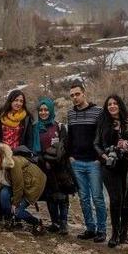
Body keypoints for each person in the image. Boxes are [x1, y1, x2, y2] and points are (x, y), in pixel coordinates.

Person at [65, 83, 107, 243]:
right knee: (83, 198)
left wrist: (99, 158)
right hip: (77, 161)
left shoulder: (98, 112)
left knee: (97, 197)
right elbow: (70, 137)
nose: (75, 98)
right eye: (72, 95)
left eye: (77, 94)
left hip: (93, 162)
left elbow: (101, 136)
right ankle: (90, 228)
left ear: (84, 93)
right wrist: (70, 156)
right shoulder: (70, 114)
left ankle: (102, 230)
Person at [94, 94, 128, 248]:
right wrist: (103, 156)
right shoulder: (103, 121)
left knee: (126, 199)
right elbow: (96, 143)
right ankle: (114, 233)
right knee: (115, 198)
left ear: (120, 105)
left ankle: (124, 234)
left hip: (126, 164)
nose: (112, 106)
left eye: (115, 103)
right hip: (109, 164)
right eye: (109, 104)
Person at [0, 143, 46, 235]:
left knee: (17, 211)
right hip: (14, 185)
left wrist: (15, 203)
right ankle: (9, 219)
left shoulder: (12, 162)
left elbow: (18, 185)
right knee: (3, 193)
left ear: (0, 153)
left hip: (31, 185)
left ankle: (36, 222)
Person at [35, 97, 76, 235]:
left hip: (60, 166)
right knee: (50, 195)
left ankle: (63, 224)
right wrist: (43, 160)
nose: (43, 112)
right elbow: (34, 149)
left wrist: (59, 158)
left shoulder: (59, 126)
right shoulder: (35, 128)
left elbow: (66, 146)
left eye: (46, 109)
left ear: (51, 110)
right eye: (41, 110)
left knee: (63, 196)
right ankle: (54, 222)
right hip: (44, 166)